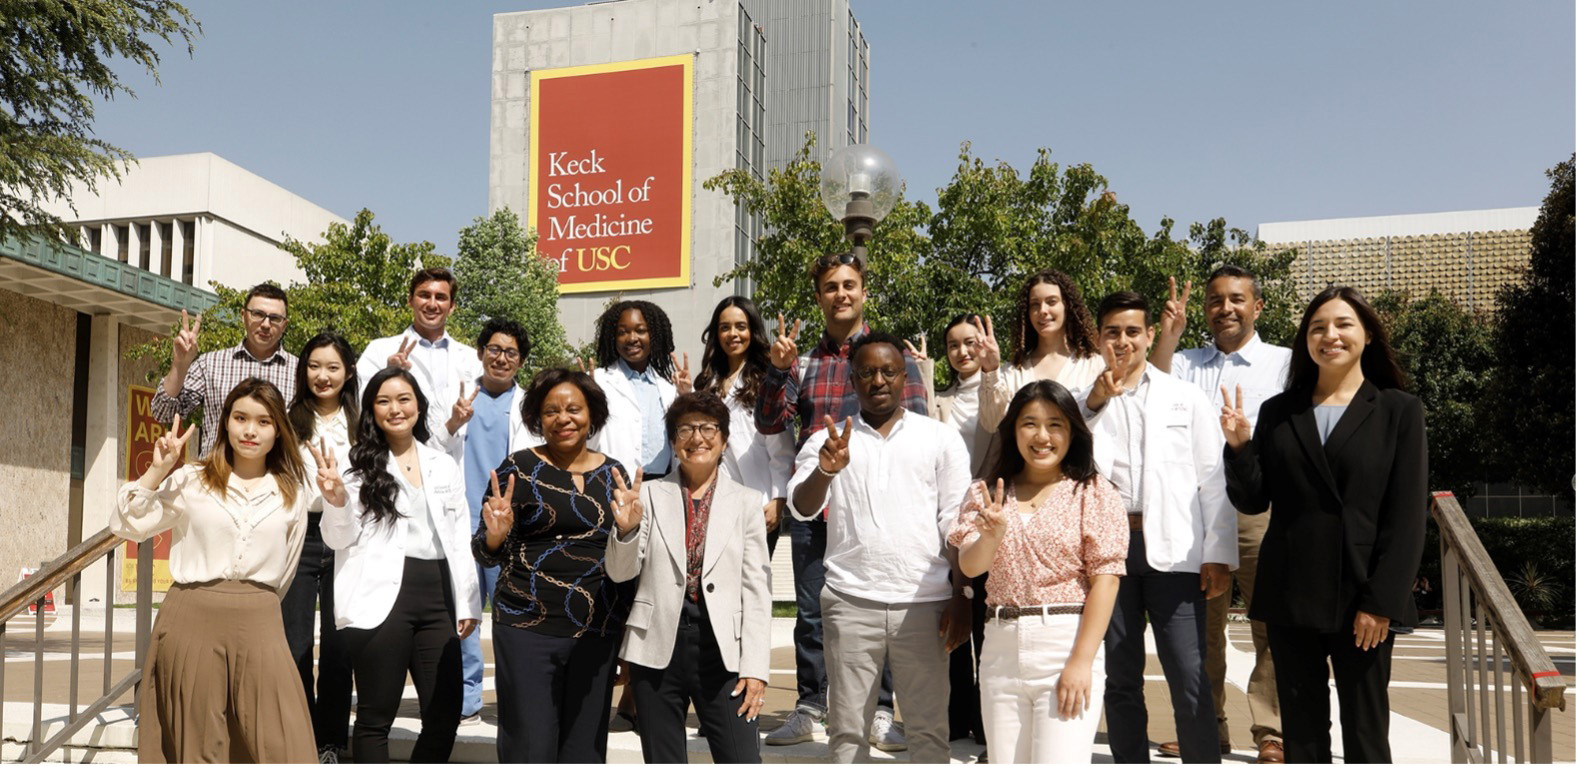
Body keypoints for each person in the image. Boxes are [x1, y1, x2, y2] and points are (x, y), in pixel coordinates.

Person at [1220, 286, 1427, 764]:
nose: (1329, 336)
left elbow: (1406, 516)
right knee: (1303, 735)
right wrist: (1239, 449)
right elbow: (1253, 500)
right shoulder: (1278, 411)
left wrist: (1382, 603)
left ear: (1368, 335)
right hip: (1292, 593)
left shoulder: (1399, 410)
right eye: (1317, 328)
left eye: (1343, 324)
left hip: (1363, 599)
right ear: (1305, 342)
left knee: (1366, 734)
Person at [756, 253, 928, 751]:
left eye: (849, 285)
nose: (841, 294)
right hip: (816, 507)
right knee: (811, 615)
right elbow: (771, 422)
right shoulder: (803, 361)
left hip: (876, 510)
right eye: (831, 287)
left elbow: (914, 429)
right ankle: (811, 705)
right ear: (819, 297)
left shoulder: (893, 358)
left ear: (864, 292)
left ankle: (878, 711)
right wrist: (776, 371)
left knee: (881, 611)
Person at [786, 332, 973, 764]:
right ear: (852, 380)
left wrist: (962, 594)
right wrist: (827, 472)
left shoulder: (939, 439)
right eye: (867, 372)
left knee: (929, 733)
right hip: (851, 603)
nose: (878, 380)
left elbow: (956, 523)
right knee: (847, 735)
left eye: (888, 371)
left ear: (905, 377)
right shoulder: (828, 440)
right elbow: (801, 507)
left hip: (924, 604)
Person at [113, 378, 316, 763]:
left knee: (282, 740)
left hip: (261, 619)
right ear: (225, 423)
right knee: (199, 741)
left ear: (278, 431)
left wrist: (255, 603)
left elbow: (287, 568)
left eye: (263, 421)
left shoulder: (290, 492)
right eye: (240, 418)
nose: (250, 430)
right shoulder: (192, 479)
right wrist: (156, 473)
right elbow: (128, 525)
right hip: (192, 617)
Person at [1079, 291, 1236, 764]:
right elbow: (1067, 464)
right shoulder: (1080, 402)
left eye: (1132, 332)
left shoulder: (1183, 396)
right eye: (1112, 332)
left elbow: (1213, 479)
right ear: (1098, 338)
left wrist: (1219, 553)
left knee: (1189, 673)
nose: (1122, 342)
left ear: (1150, 336)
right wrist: (1096, 403)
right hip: (1108, 550)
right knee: (1120, 677)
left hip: (1175, 550)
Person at [1148, 268, 1291, 763]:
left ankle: (1271, 731)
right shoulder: (1185, 363)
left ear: (1258, 307)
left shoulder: (1284, 364)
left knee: (1270, 623)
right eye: (1215, 300)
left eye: (1236, 299)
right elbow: (1154, 389)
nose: (1225, 308)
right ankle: (1207, 728)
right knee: (1201, 628)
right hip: (1197, 512)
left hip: (1258, 508)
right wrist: (1167, 337)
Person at [949, 380, 1128, 763]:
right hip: (1000, 647)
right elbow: (969, 565)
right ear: (1012, 430)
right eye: (1029, 423)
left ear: (1073, 432)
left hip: (1065, 642)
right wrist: (990, 537)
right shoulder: (986, 493)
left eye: (1055, 424)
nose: (1042, 436)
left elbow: (1106, 581)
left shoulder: (1094, 492)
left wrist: (1081, 662)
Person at [320, 367, 482, 764]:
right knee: (376, 716)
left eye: (404, 399)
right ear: (371, 410)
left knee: (444, 714)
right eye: (383, 401)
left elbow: (460, 537)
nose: (395, 409)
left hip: (437, 592)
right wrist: (337, 500)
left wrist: (468, 602)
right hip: (381, 593)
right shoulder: (353, 465)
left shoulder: (442, 463)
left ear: (419, 405)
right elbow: (338, 539)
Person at [605, 392, 774, 763]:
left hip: (723, 652)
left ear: (724, 439)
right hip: (656, 648)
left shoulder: (747, 501)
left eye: (708, 427)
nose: (697, 437)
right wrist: (628, 531)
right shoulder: (647, 495)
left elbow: (757, 591)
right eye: (685, 429)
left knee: (741, 756)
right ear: (672, 441)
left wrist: (756, 668)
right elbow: (620, 572)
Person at [474, 368, 632, 763]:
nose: (563, 419)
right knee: (530, 745)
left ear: (591, 414)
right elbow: (485, 550)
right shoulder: (518, 468)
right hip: (528, 625)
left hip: (598, 628)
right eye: (550, 411)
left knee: (584, 749)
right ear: (536, 419)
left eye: (573, 409)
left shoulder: (614, 473)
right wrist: (495, 533)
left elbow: (628, 559)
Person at [452, 318, 540, 724]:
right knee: (464, 611)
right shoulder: (459, 396)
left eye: (511, 353)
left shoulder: (528, 407)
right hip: (460, 517)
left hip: (506, 525)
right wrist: (453, 422)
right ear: (481, 351)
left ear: (520, 361)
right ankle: (468, 696)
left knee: (509, 613)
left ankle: (513, 696)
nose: (501, 358)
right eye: (494, 349)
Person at [282, 332, 359, 763]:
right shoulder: (287, 419)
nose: (323, 375)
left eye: (332, 367)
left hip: (347, 536)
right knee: (295, 642)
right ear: (303, 370)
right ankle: (299, 734)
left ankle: (331, 739)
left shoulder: (362, 421)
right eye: (314, 366)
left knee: (338, 642)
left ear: (347, 372)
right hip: (301, 534)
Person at [925, 313, 996, 749]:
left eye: (970, 342)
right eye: (953, 345)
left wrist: (992, 371)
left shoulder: (999, 392)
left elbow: (999, 424)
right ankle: (954, 718)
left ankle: (989, 722)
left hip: (990, 517)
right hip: (947, 519)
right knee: (947, 611)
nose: (962, 351)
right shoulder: (941, 400)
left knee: (987, 618)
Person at [692, 296, 795, 554]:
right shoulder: (707, 383)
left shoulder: (766, 381)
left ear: (753, 331)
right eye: (725, 327)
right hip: (713, 503)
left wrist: (778, 498)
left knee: (751, 588)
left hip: (757, 503)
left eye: (741, 326)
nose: (733, 334)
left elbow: (780, 445)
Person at [151, 283, 297, 456]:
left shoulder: (300, 372)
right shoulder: (210, 363)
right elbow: (163, 412)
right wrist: (180, 364)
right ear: (243, 316)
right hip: (216, 477)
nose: (265, 324)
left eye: (275, 318)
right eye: (258, 314)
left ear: (285, 324)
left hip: (274, 480)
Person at [355, 267, 482, 463]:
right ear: (410, 301)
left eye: (440, 297)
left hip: (455, 463)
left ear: (452, 306)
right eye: (424, 295)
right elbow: (357, 405)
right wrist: (387, 374)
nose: (432, 304)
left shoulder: (472, 359)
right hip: (394, 460)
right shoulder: (379, 350)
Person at [977, 269, 1104, 438]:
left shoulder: (1095, 365)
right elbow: (992, 423)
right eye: (1035, 304)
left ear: (1067, 306)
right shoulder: (1013, 372)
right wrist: (991, 370)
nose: (1043, 310)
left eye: (1051, 302)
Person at [588, 299, 684, 481]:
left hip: (664, 483)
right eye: (622, 332)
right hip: (613, 483)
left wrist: (687, 395)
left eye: (641, 330)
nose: (632, 338)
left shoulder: (670, 386)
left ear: (654, 334)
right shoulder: (597, 381)